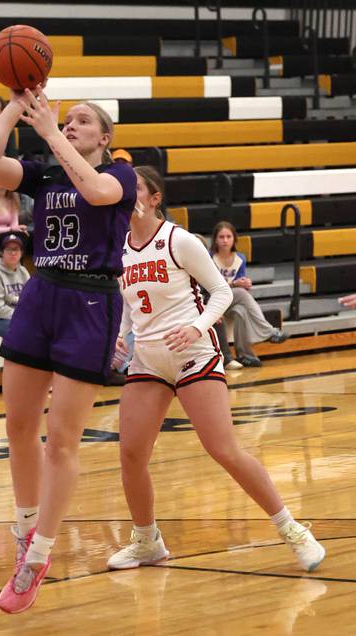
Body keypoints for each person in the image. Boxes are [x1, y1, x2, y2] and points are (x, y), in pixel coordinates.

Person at [107, 165, 325, 574]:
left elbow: (222, 291)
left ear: (154, 198)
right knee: (131, 453)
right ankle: (146, 541)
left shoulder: (178, 239)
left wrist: (196, 327)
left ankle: (293, 530)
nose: (125, 192)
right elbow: (128, 300)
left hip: (194, 353)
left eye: (135, 187)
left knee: (222, 449)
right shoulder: (118, 246)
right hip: (149, 358)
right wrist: (119, 334)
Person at [0, 93, 136, 612]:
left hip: (90, 301)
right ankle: (25, 533)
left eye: (82, 121)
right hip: (41, 293)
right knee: (18, 426)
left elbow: (96, 191)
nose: (70, 124)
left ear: (104, 138)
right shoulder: (45, 174)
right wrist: (14, 104)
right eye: (67, 120)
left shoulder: (123, 174)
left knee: (61, 439)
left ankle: (41, 552)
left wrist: (49, 132)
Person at [210, 221, 288, 367]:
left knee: (241, 310)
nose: (225, 240)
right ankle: (269, 331)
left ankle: (244, 355)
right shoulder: (210, 257)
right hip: (214, 301)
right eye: (221, 237)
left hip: (232, 301)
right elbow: (210, 286)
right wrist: (235, 284)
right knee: (239, 292)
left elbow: (241, 288)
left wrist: (245, 283)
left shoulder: (240, 258)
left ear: (234, 239)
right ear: (215, 239)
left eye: (228, 236)